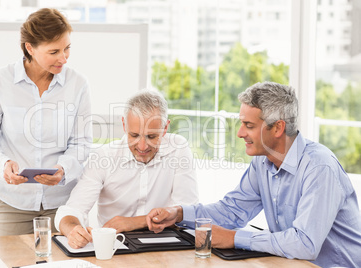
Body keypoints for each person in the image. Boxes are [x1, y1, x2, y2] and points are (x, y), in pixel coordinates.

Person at [146, 82, 361, 268]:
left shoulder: (319, 168)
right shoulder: (263, 161)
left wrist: (234, 238)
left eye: (248, 125)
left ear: (278, 128)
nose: (240, 133)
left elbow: (305, 243)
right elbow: (233, 211)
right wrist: (180, 213)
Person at [0, 8, 92, 236]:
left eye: (67, 48)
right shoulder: (0, 82)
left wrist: (63, 169)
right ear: (30, 48)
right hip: (11, 204)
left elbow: (82, 143)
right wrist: (3, 165)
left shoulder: (78, 85)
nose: (64, 58)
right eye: (54, 51)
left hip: (61, 205)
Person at [55, 90, 199, 249]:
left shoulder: (178, 149)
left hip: (164, 246)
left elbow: (187, 213)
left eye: (151, 136)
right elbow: (72, 210)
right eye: (134, 135)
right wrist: (72, 230)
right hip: (115, 247)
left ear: (165, 128)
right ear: (124, 125)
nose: (142, 146)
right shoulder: (103, 157)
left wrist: (135, 222)